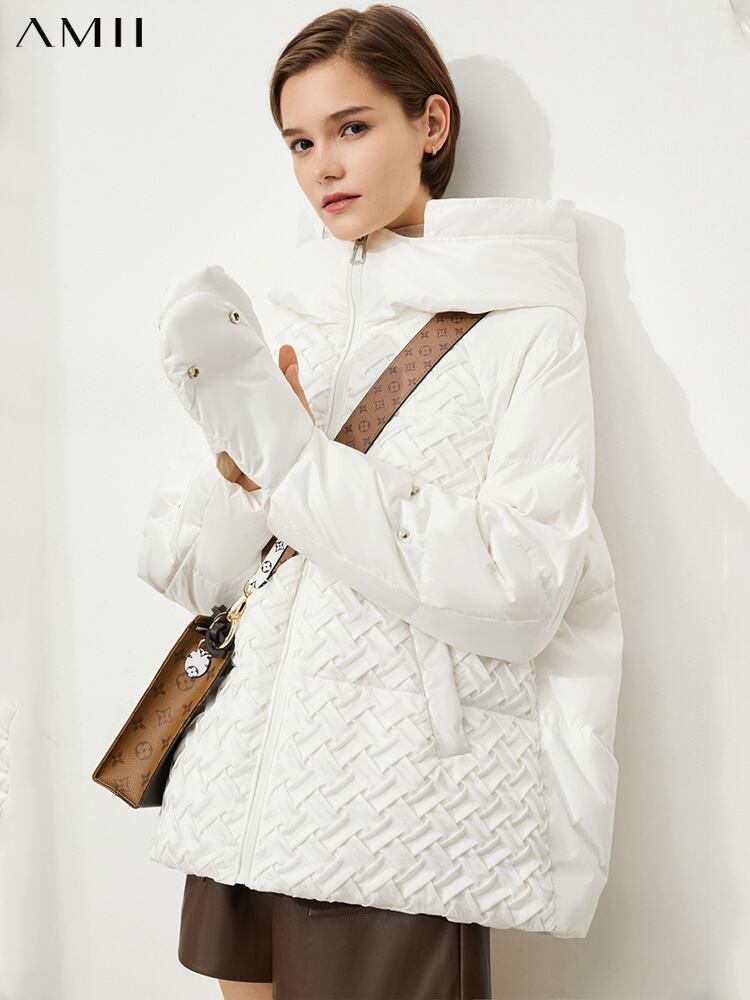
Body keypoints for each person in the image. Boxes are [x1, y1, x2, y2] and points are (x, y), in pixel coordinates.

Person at [136, 5, 623, 999]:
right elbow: (192, 574)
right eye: (299, 142)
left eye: (352, 127)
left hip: (398, 803)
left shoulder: (527, 332)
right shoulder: (293, 317)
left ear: (430, 125)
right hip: (246, 784)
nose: (324, 167)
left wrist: (297, 468)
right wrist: (242, 481)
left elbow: (522, 585)